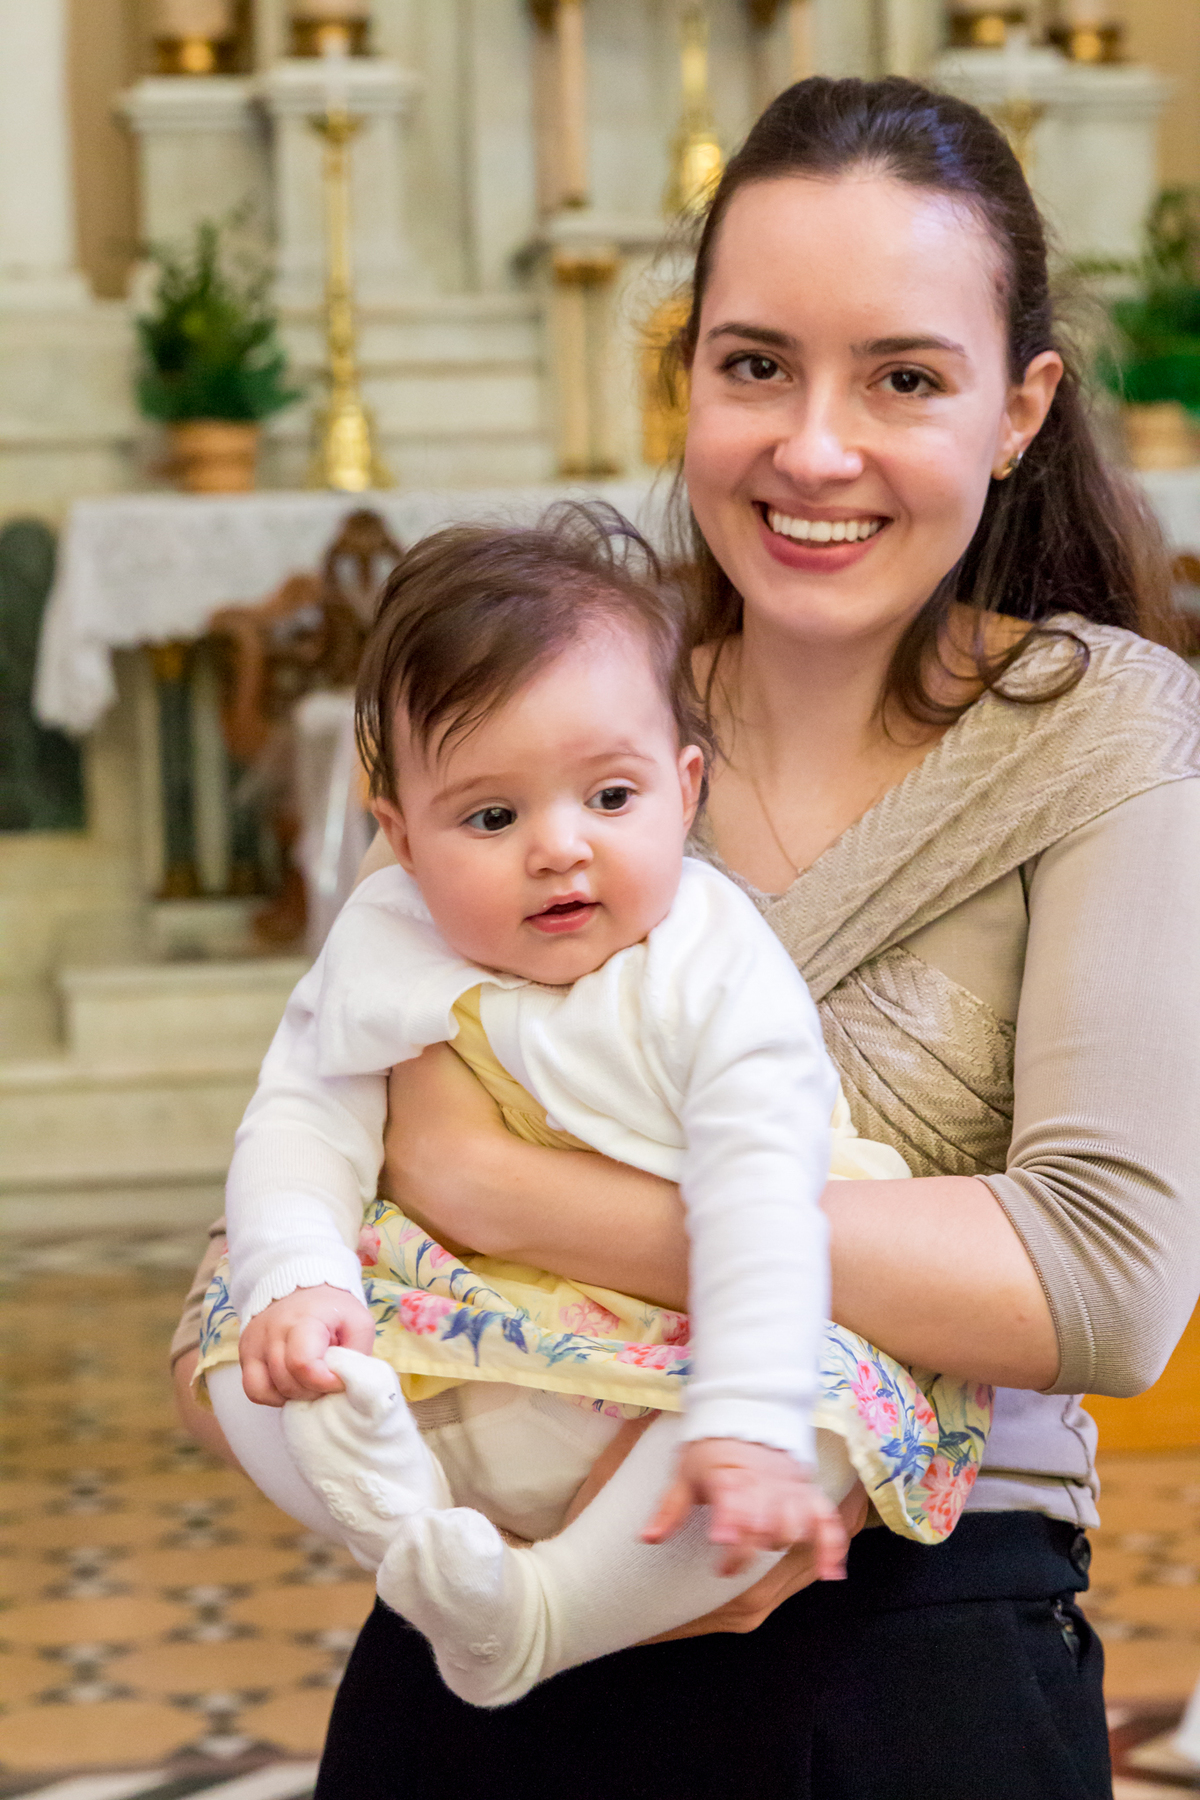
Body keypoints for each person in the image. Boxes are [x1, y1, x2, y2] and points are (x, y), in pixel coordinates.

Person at [171, 74, 1200, 1799]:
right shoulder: (557, 720)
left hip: (914, 1628)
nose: (815, 447)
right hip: (485, 1626)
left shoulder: (1102, 730)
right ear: (688, 378)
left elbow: (1103, 1283)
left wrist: (501, 1190)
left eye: (903, 378)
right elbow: (296, 1193)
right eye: (756, 366)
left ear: (1019, 407)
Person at [195, 508, 981, 1709]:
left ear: (685, 787)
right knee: (242, 1335)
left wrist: (743, 1405)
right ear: (400, 837)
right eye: (491, 817)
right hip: (448, 1340)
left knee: (815, 1418)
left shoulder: (715, 964)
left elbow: (760, 1196)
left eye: (610, 797)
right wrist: (298, 1278)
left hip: (681, 1342)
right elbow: (302, 1116)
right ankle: (400, 1520)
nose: (559, 849)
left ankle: (544, 1617)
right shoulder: (388, 936)